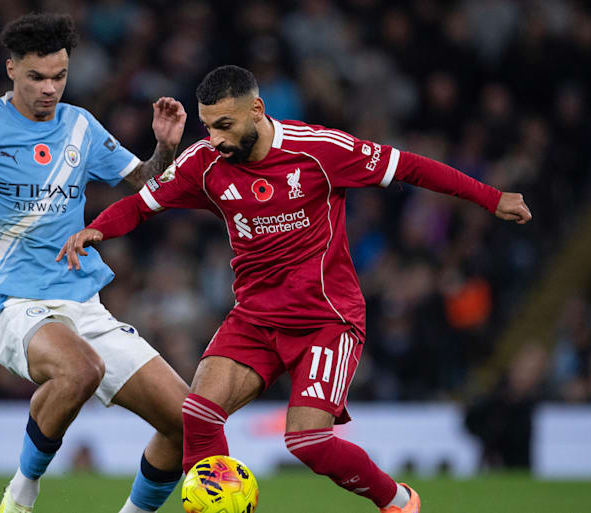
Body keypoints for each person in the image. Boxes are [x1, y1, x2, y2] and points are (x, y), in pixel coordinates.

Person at [59, 65, 533, 513]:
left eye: (224, 125)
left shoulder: (319, 151)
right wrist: (96, 229)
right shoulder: (204, 163)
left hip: (326, 319)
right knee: (198, 415)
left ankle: (398, 500)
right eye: (207, 128)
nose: (215, 139)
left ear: (258, 110)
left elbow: (408, 167)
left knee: (307, 441)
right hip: (254, 318)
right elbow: (141, 205)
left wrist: (492, 198)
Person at [0, 13, 189, 513]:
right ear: (11, 68)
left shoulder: (81, 126)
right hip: (16, 305)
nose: (50, 88)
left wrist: (165, 145)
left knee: (187, 423)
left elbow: (146, 183)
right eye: (37, 77)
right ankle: (20, 495)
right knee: (81, 370)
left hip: (84, 302)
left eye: (59, 76)